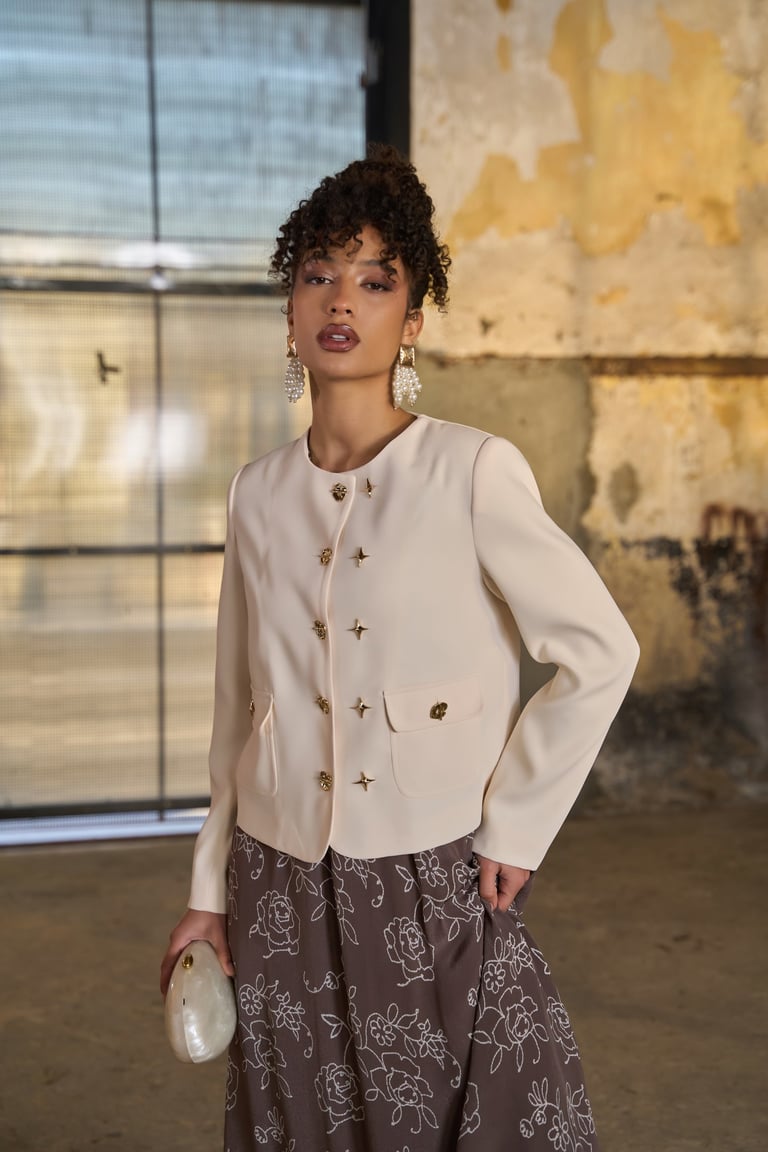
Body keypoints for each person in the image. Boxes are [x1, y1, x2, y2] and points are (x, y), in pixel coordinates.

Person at [161, 144, 639, 1151]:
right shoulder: (256, 493)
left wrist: (514, 826)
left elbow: (600, 650)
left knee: (472, 1113)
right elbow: (237, 714)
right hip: (277, 880)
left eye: (376, 282)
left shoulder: (472, 470)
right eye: (318, 275)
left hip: (430, 875)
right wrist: (209, 894)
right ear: (291, 309)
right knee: (304, 1122)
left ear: (412, 319)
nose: (343, 300)